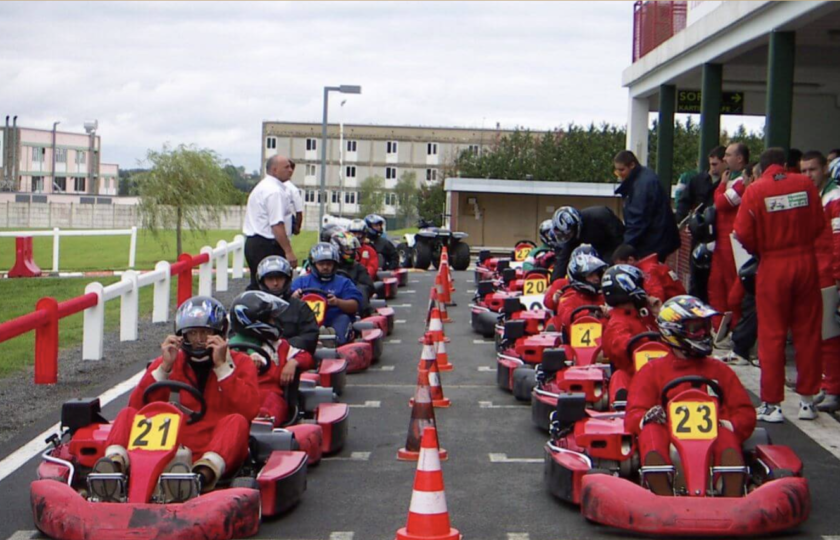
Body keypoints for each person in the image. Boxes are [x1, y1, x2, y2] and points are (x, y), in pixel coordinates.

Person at [90, 296, 260, 501]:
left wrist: (222, 368)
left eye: (205, 333)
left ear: (219, 334)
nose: (198, 340)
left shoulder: (241, 364)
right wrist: (164, 369)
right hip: (170, 443)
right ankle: (114, 470)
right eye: (192, 333)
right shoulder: (170, 361)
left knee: (238, 422)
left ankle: (199, 479)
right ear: (182, 336)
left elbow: (250, 410)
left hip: (213, 444)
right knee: (127, 414)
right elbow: (137, 407)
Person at [625, 296, 756, 497]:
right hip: (669, 440)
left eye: (705, 327)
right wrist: (649, 417)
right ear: (673, 331)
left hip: (713, 443)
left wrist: (725, 424)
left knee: (725, 434)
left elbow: (745, 412)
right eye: (697, 329)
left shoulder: (720, 371)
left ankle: (731, 490)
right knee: (651, 431)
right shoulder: (652, 371)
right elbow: (633, 414)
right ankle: (661, 492)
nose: (704, 333)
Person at [734, 148, 825, 423]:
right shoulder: (806, 184)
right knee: (808, 332)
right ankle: (808, 402)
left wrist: (763, 250)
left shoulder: (755, 190)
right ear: (786, 165)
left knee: (772, 335)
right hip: (805, 261)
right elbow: (819, 223)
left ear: (760, 169)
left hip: (773, 265)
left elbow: (743, 233)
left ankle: (772, 405)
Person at [800, 151, 840, 412]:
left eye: (812, 170)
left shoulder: (834, 196)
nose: (808, 176)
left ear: (825, 168)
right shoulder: (813, 196)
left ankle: (834, 389)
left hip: (830, 274)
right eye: (803, 171)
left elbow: (838, 239)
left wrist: (837, 276)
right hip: (815, 272)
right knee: (820, 334)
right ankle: (827, 386)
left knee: (830, 335)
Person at [228, 291, 300, 426]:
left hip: (269, 393)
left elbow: (305, 355)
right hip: (239, 394)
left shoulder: (279, 345)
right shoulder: (229, 348)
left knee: (270, 403)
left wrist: (293, 362)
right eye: (270, 319)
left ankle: (261, 426)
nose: (274, 322)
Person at [676, 146, 727, 302]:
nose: (712, 168)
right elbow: (684, 202)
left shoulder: (728, 182)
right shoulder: (697, 180)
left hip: (718, 233)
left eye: (716, 164)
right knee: (696, 275)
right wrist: (682, 221)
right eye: (711, 164)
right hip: (700, 234)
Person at [707, 143, 749, 332]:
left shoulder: (742, 182)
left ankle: (736, 330)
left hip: (734, 243)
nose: (724, 159)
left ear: (739, 159)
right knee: (716, 285)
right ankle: (719, 329)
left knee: (734, 290)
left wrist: (721, 186)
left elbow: (722, 203)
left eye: (728, 155)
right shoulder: (732, 179)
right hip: (722, 242)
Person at [601, 264, 657, 403]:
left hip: (658, 374)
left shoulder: (643, 316)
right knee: (620, 377)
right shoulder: (618, 323)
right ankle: (623, 407)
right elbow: (620, 347)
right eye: (640, 285)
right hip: (633, 377)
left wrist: (658, 313)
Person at [613, 150, 681, 262]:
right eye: (617, 171)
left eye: (622, 170)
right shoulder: (644, 179)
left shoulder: (642, 186)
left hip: (652, 242)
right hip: (658, 240)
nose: (620, 175)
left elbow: (638, 220)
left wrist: (624, 247)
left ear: (632, 165)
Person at [291, 243, 363, 346]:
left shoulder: (344, 282)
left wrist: (337, 302)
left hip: (333, 319)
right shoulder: (301, 282)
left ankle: (333, 340)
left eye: (329, 264)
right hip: (305, 321)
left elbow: (355, 305)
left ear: (335, 264)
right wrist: (294, 298)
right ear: (313, 264)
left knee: (343, 319)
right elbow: (285, 303)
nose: (325, 267)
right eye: (321, 264)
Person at [243, 155, 297, 289]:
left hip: (255, 243)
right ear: (274, 170)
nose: (290, 170)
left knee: (258, 284)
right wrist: (288, 251)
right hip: (267, 245)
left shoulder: (264, 186)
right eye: (286, 167)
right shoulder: (274, 192)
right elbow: (277, 225)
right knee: (273, 287)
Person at [256, 256, 320, 359]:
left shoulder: (300, 307)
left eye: (279, 278)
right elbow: (237, 335)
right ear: (262, 281)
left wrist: (282, 347)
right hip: (259, 357)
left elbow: (310, 337)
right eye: (270, 279)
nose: (275, 283)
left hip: (291, 358)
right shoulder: (254, 307)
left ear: (287, 279)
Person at [550, 206, 624, 281]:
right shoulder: (572, 236)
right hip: (599, 250)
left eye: (568, 234)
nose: (566, 237)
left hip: (615, 245)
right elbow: (563, 260)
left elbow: (620, 239)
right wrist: (554, 283)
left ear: (577, 226)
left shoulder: (601, 216)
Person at [550, 247, 608, 333]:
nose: (596, 279)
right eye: (591, 275)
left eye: (597, 275)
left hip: (602, 342)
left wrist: (608, 315)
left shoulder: (605, 299)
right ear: (579, 277)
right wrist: (591, 315)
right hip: (574, 344)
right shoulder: (568, 301)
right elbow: (567, 319)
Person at [611, 243, 686, 306]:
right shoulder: (651, 266)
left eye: (622, 266)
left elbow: (656, 299)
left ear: (631, 260)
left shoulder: (648, 272)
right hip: (679, 304)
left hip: (675, 309)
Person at [331, 230, 375, 315]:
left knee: (361, 288)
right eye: (348, 249)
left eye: (352, 249)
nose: (352, 252)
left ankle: (361, 313)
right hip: (330, 301)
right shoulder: (329, 267)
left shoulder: (358, 267)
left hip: (351, 302)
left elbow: (369, 287)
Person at [284, 160, 304, 236]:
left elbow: (299, 211)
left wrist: (297, 227)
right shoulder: (292, 189)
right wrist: (297, 227)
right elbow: (299, 211)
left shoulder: (293, 190)